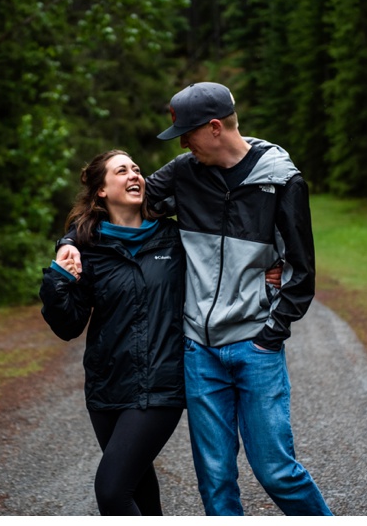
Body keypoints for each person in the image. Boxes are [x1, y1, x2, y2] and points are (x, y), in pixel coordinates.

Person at [56, 82, 332, 516]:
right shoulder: (184, 172)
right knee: (215, 479)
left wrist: (271, 333)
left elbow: (302, 269)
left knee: (276, 470)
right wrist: (68, 241)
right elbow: (118, 212)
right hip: (199, 352)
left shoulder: (281, 180)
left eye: (188, 133)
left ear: (215, 128)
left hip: (255, 346)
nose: (182, 143)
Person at [39, 150, 187, 516]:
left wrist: (267, 269)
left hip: (160, 386)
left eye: (137, 169)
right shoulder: (88, 248)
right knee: (140, 492)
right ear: (101, 190)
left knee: (112, 491)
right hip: (106, 389)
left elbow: (220, 259)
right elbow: (68, 326)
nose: (134, 175)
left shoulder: (174, 237)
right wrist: (59, 279)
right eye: (122, 171)